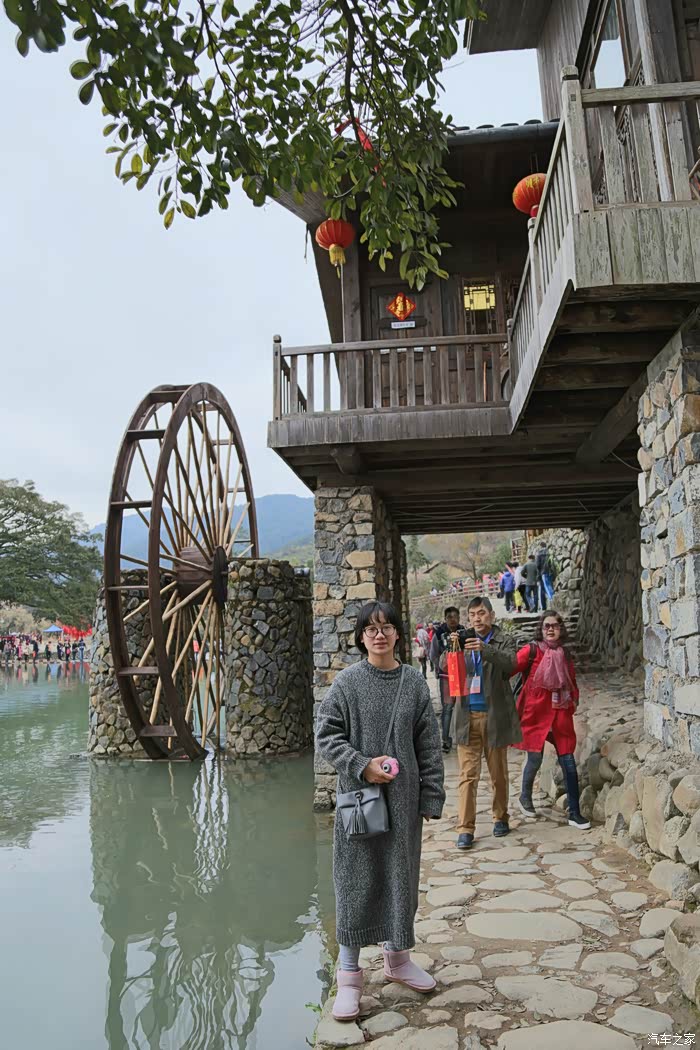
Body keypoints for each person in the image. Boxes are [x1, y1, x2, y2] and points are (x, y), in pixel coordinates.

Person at [315, 601, 445, 1022]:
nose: (379, 635)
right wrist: (361, 765)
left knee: (399, 878)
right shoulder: (347, 683)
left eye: (387, 627)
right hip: (359, 802)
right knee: (355, 881)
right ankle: (349, 977)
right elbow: (326, 735)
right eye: (371, 629)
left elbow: (429, 744)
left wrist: (431, 796)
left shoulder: (413, 683)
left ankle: (398, 959)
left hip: (403, 803)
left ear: (398, 634)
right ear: (361, 637)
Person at [511, 610, 590, 829]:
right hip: (535, 715)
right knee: (534, 759)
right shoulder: (532, 651)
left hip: (560, 715)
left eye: (555, 625)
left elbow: (571, 680)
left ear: (560, 629)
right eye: (547, 626)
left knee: (568, 762)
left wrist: (573, 700)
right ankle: (525, 796)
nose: (551, 629)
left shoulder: (564, 654)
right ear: (541, 629)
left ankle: (574, 813)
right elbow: (510, 668)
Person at [454, 596, 522, 849]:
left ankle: (500, 817)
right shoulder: (462, 640)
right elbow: (443, 666)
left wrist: (485, 649)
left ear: (492, 615)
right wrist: (453, 647)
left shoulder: (504, 639)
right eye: (472, 614)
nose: (477, 618)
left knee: (498, 773)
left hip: (494, 716)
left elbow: (512, 664)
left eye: (481, 613)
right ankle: (465, 828)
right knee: (467, 776)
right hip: (466, 717)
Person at [430, 606, 468, 753]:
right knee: (447, 707)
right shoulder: (439, 634)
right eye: (449, 617)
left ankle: (462, 737)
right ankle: (446, 740)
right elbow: (433, 654)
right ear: (445, 619)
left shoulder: (463, 632)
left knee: (463, 705)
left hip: (462, 675)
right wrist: (441, 667)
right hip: (446, 677)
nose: (453, 620)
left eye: (455, 617)